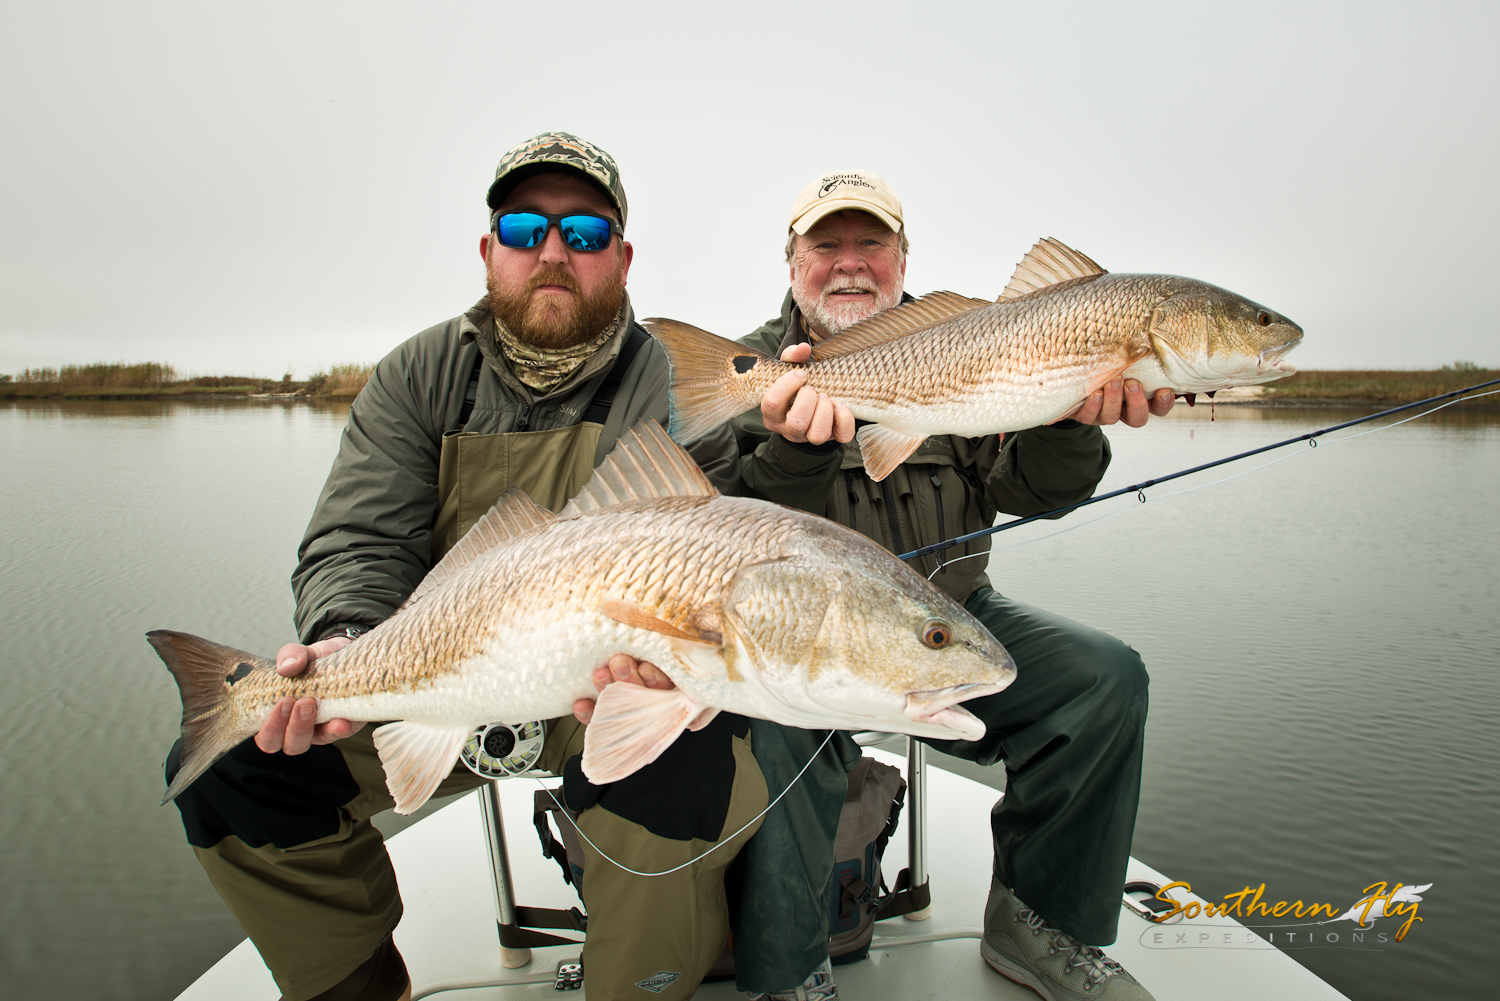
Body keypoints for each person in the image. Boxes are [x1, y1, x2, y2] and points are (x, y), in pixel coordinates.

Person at [164, 132, 793, 1001]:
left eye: (583, 234)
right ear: (489, 248)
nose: (550, 252)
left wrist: (666, 660)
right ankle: (356, 982)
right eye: (524, 225)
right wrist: (347, 639)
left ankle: (637, 983)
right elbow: (359, 539)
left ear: (623, 256)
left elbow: (715, 528)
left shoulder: (675, 383)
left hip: (604, 691)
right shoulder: (418, 375)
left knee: (690, 756)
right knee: (239, 767)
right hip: (430, 673)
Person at [730, 171, 1175, 1001]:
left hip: (953, 626)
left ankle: (1039, 923)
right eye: (827, 245)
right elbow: (713, 530)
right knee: (770, 730)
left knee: (1106, 681)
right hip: (800, 649)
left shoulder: (972, 340)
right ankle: (789, 970)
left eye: (872, 244)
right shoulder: (758, 369)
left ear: (903, 258)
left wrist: (1070, 424)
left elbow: (1030, 494)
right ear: (792, 261)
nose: (851, 264)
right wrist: (794, 450)